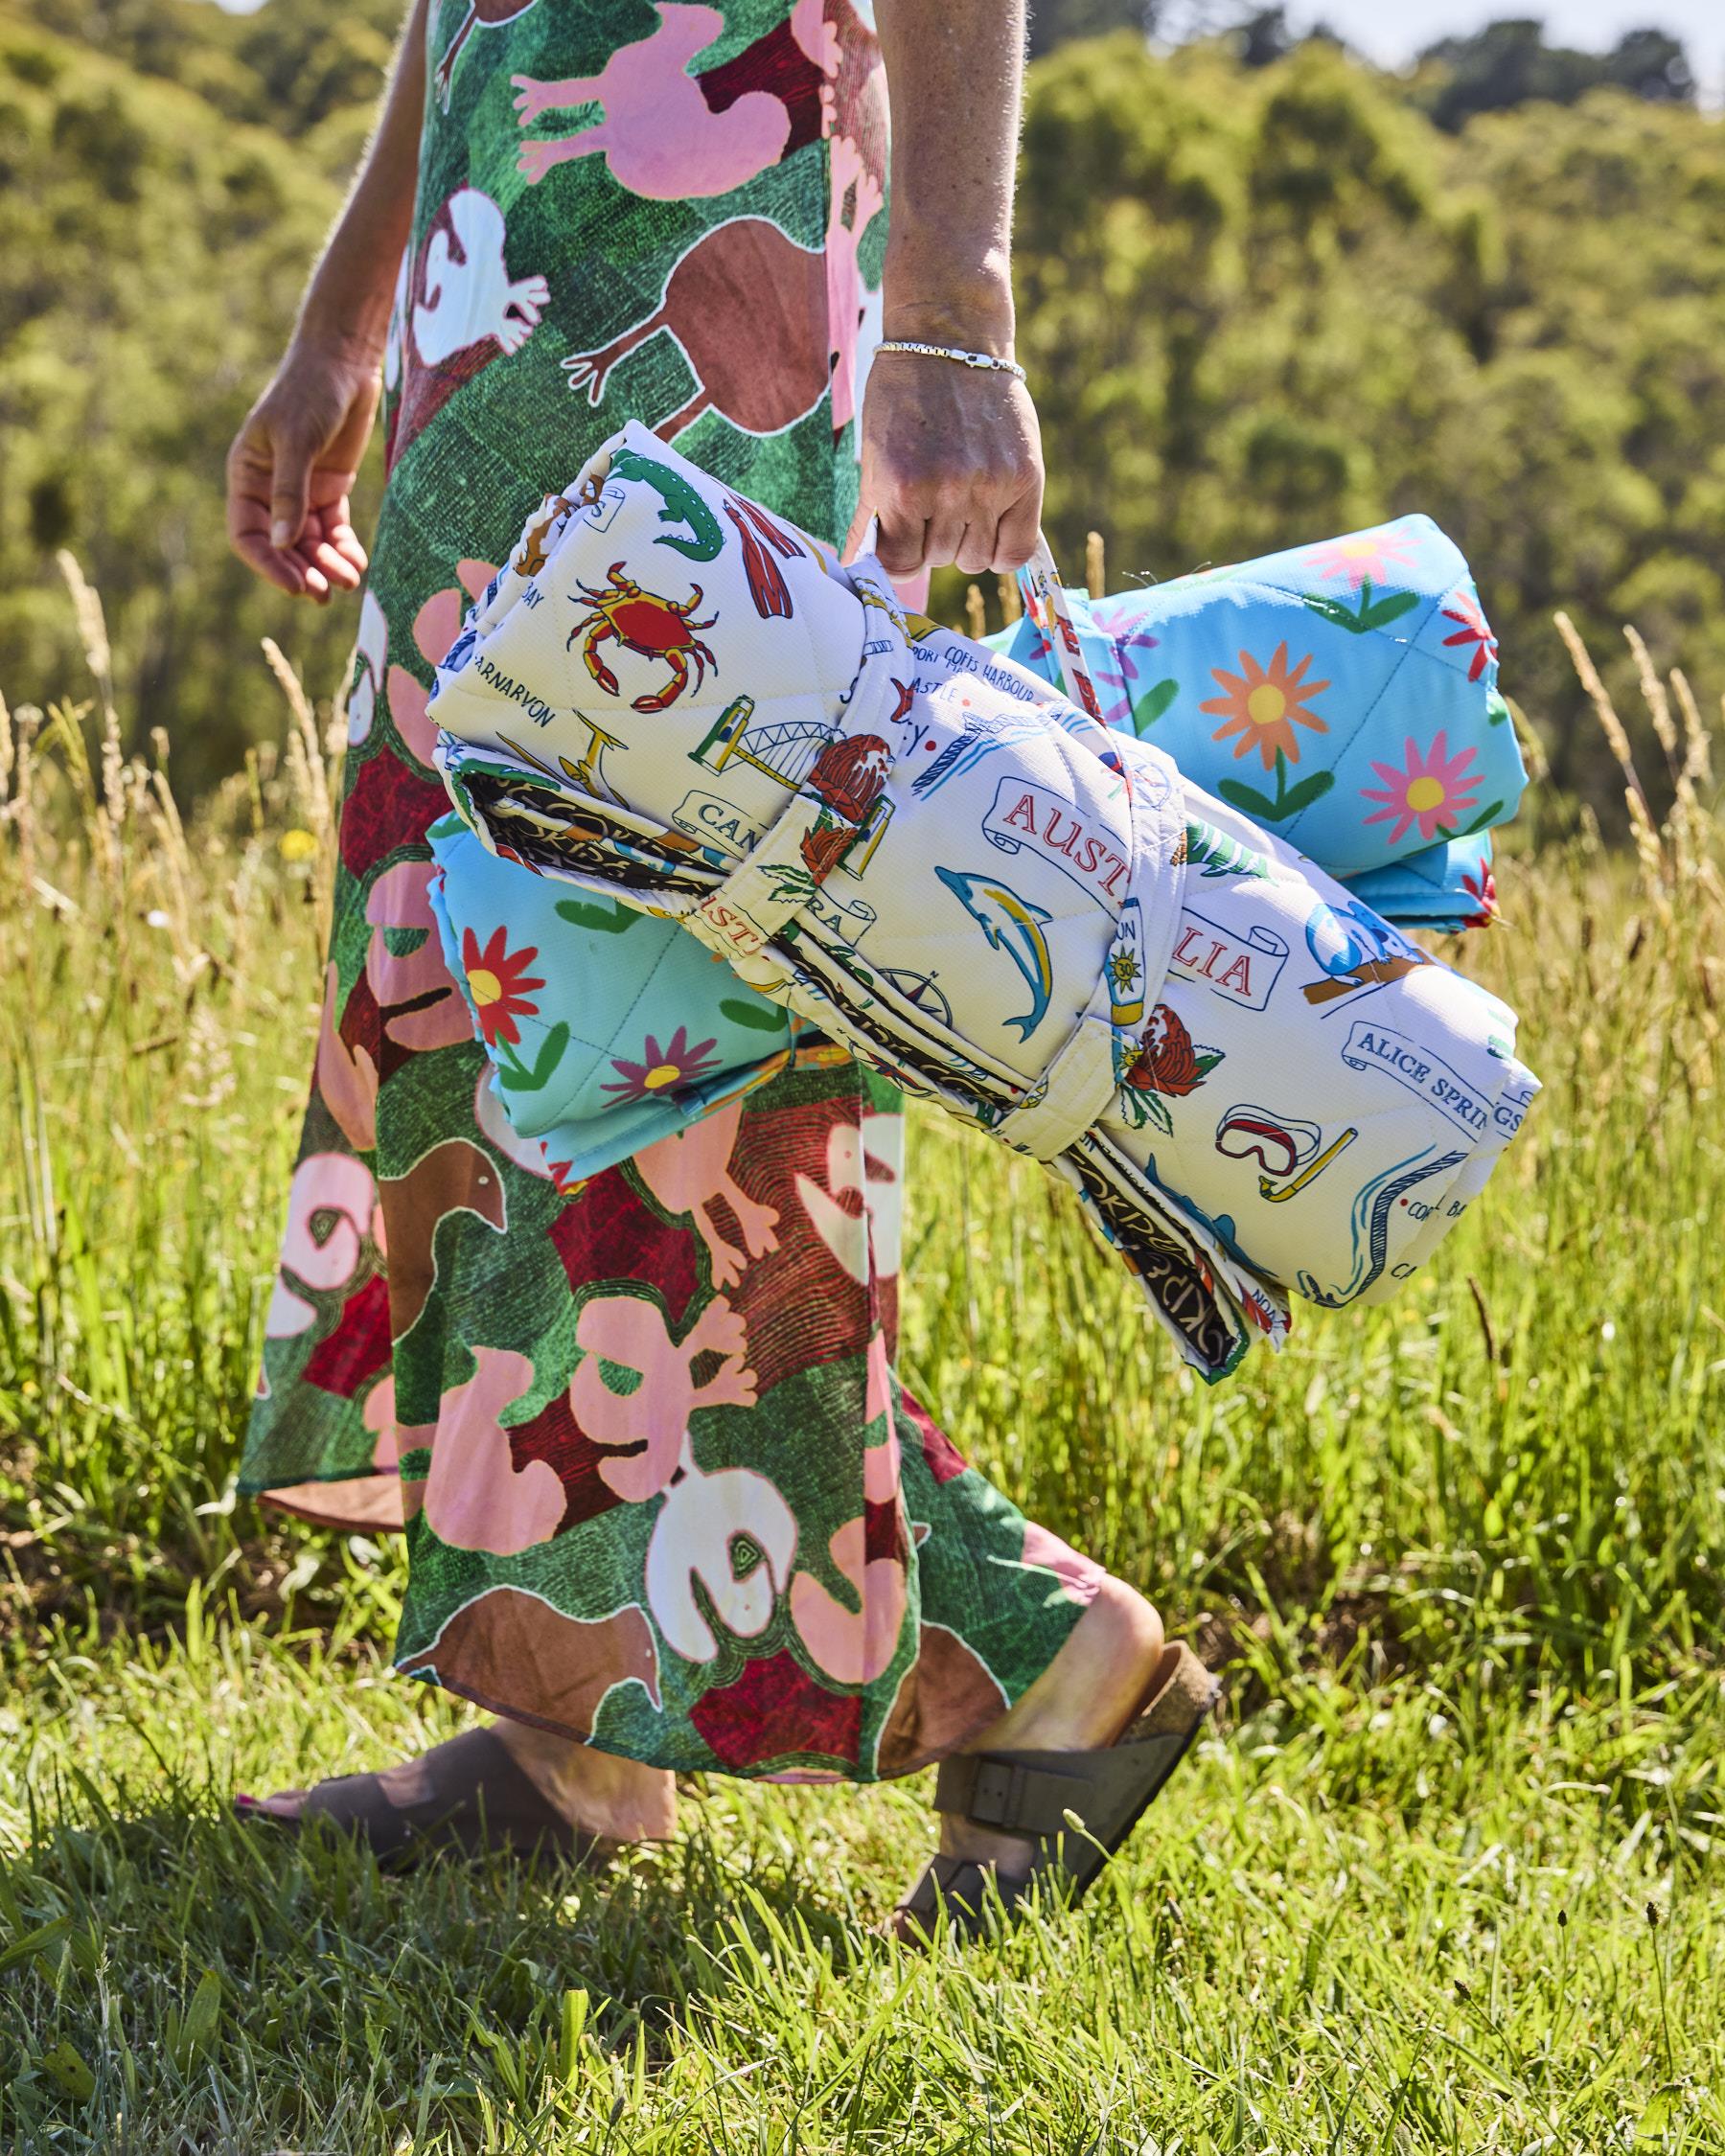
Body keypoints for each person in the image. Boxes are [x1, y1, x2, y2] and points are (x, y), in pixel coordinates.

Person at [226, 0, 1212, 1938]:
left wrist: (952, 304)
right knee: (504, 1014)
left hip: (708, 351)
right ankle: (567, 1724)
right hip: (490, 347)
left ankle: (1039, 1654)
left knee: (667, 1048)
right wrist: (347, 330)